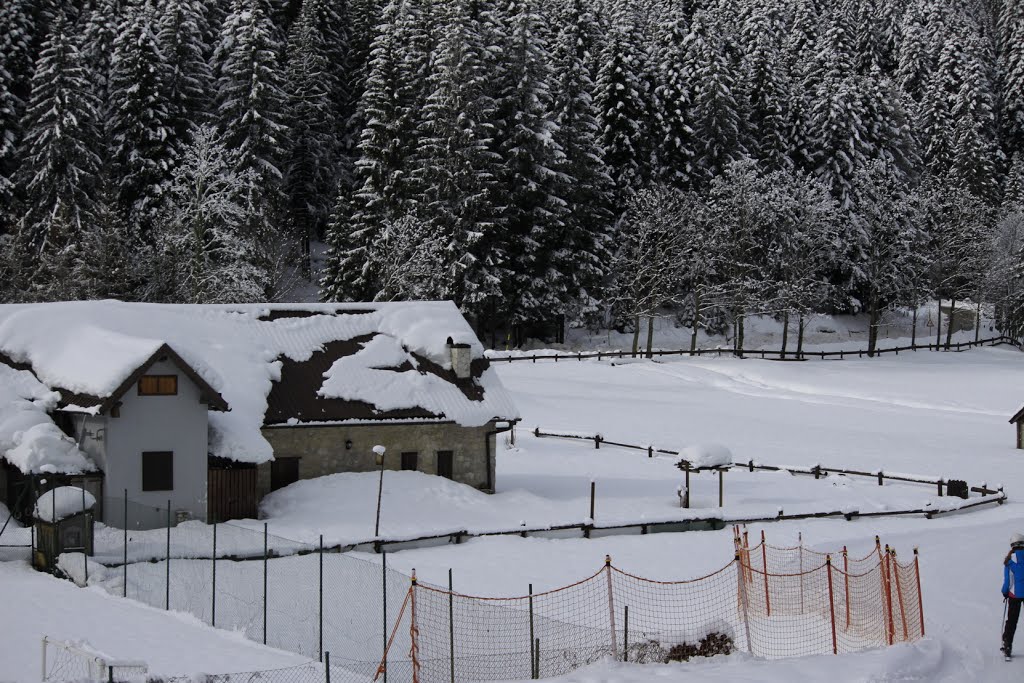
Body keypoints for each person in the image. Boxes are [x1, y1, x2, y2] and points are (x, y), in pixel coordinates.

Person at [1002, 534, 1024, 656]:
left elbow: (1008, 582)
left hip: (1014, 595)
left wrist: (1005, 591)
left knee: (1012, 620)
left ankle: (1007, 645)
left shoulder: (1010, 561)